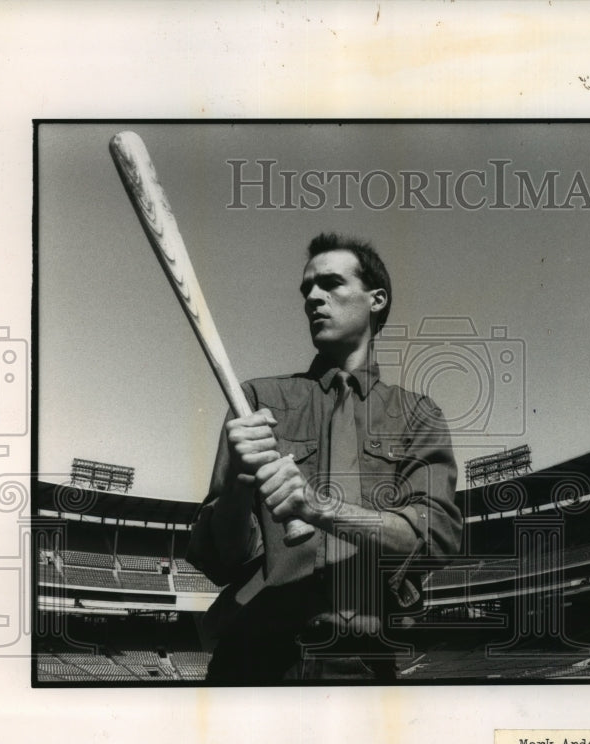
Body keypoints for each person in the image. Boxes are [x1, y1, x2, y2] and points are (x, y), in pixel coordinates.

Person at [187, 232, 462, 682]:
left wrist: (318, 507)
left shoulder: (416, 415)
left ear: (376, 299)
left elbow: (435, 538)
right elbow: (221, 562)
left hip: (364, 666)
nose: (312, 297)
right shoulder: (256, 401)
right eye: (307, 289)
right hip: (254, 660)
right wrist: (238, 485)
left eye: (331, 284)